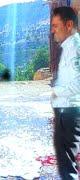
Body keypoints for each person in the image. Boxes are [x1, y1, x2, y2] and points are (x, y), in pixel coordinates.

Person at [51, 6, 80, 179]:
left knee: (67, 165)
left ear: (68, 25)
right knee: (64, 159)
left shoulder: (75, 48)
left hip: (72, 110)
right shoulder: (68, 46)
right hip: (66, 109)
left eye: (56, 25)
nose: (53, 30)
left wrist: (56, 91)